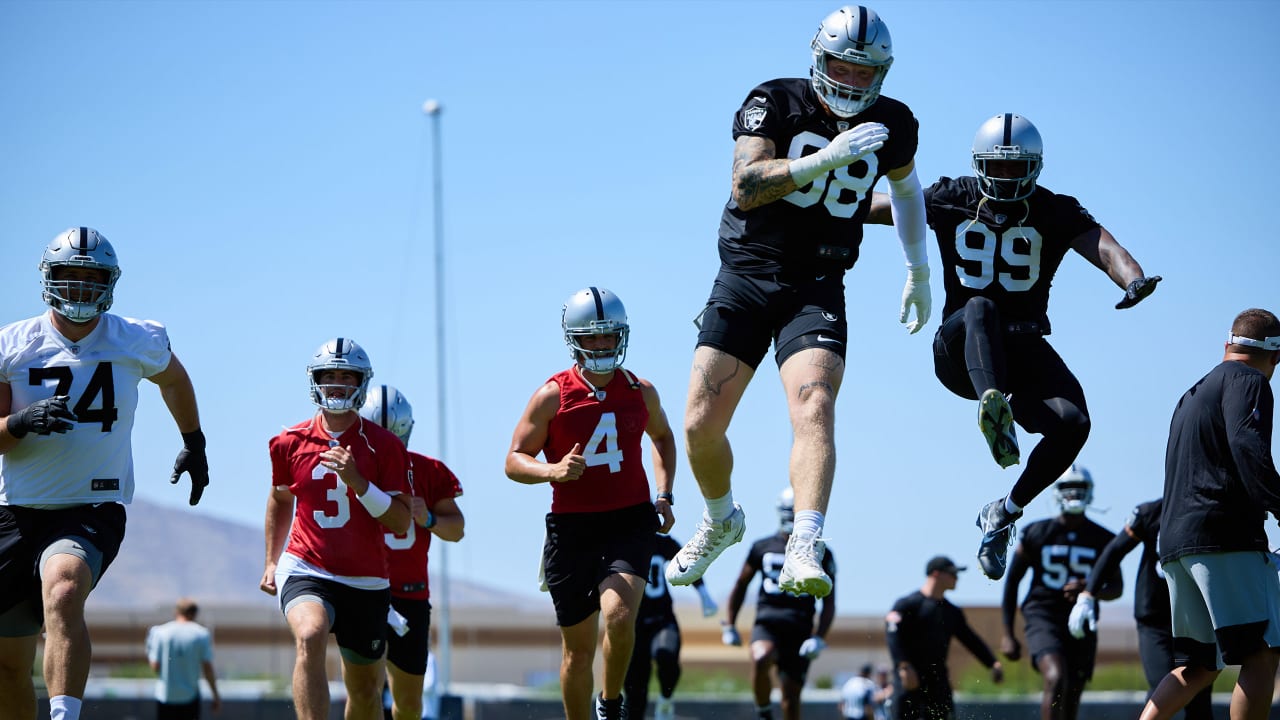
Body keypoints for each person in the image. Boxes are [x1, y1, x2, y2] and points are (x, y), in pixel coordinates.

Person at [667, 4, 932, 600]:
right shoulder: (774, 101)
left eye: (868, 71)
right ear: (819, 56)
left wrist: (919, 269)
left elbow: (907, 190)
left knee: (815, 403)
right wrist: (825, 159)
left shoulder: (894, 122)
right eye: (844, 65)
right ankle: (721, 519)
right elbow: (746, 184)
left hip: (817, 283)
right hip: (746, 273)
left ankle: (803, 544)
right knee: (699, 424)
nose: (854, 81)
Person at [866, 113, 1161, 580]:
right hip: (962, 348)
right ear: (978, 164)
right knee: (983, 306)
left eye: (1015, 168)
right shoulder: (955, 196)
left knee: (1074, 423)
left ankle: (1004, 511)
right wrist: (826, 198)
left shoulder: (1054, 209)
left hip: (1020, 348)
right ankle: (993, 404)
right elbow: (889, 207)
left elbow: (1103, 247)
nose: (1005, 177)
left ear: (1035, 167)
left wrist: (1134, 279)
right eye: (996, 167)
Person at [0, 227, 210, 720]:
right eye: (68, 277)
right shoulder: (12, 344)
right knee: (9, 668)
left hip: (90, 506)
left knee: (65, 585)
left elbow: (174, 377)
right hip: (16, 511)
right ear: (48, 279)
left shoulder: (135, 337)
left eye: (89, 278)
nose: (78, 288)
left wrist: (194, 442)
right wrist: (20, 422)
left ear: (109, 283)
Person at [505, 287, 678, 720]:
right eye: (592, 336)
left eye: (608, 335)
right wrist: (553, 470)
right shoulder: (552, 395)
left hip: (630, 520)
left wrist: (665, 492)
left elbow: (663, 437)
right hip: (572, 527)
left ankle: (611, 702)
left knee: (620, 617)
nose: (601, 345)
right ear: (573, 338)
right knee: (577, 652)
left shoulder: (641, 390)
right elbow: (513, 460)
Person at [260, 338, 412, 720]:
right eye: (330, 376)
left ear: (362, 383)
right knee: (309, 634)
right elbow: (280, 498)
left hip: (365, 579)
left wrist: (359, 481)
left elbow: (399, 520)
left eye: (348, 376)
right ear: (315, 381)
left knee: (363, 692)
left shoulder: (386, 446)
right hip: (306, 566)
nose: (338, 384)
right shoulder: (288, 442)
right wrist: (270, 561)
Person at [1139, 308, 1280, 720]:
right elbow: (1247, 448)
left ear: (1227, 345)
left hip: (1177, 543)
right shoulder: (1250, 381)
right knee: (1262, 653)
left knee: (1197, 666)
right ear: (1276, 357)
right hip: (1224, 539)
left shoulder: (1193, 391)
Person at [358, 384, 465, 720]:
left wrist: (428, 518)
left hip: (410, 596)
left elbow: (457, 529)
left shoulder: (429, 472)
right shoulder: (352, 471)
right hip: (363, 593)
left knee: (409, 703)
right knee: (363, 693)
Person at [1067, 498, 1213, 719]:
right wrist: (1088, 593)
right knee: (1163, 684)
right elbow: (1115, 550)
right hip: (1155, 616)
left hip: (1196, 616)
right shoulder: (1152, 512)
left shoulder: (1213, 508)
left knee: (1199, 694)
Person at [1000, 466, 1121, 720]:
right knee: (1055, 677)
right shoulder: (1036, 533)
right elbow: (1012, 583)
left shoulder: (1104, 538)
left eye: (1080, 488)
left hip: (1081, 619)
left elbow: (1116, 588)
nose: (1074, 493)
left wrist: (1091, 589)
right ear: (1057, 493)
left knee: (1073, 692)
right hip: (1043, 614)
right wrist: (1008, 633)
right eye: (1067, 488)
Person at [721, 488, 836, 720]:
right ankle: (764, 713)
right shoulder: (762, 547)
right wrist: (729, 624)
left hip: (800, 628)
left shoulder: (820, 551)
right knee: (761, 657)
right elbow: (740, 585)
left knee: (790, 700)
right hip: (768, 623)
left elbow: (830, 599)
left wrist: (819, 637)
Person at [885, 555, 1003, 720]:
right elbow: (892, 634)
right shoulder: (908, 604)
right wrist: (903, 666)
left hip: (937, 684)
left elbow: (970, 640)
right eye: (952, 574)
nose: (956, 578)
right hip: (909, 681)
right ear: (936, 574)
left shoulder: (951, 612)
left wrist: (992, 662)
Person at [624, 532, 719, 720]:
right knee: (635, 695)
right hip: (632, 625)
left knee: (666, 654)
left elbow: (687, 564)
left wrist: (704, 594)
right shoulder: (621, 544)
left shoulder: (662, 543)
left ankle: (666, 699)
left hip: (662, 619)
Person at [145, 597, 221, 719]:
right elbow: (207, 669)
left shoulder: (160, 632)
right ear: (195, 614)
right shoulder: (201, 634)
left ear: (176, 612)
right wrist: (215, 696)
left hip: (166, 696)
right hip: (189, 698)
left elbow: (155, 667)